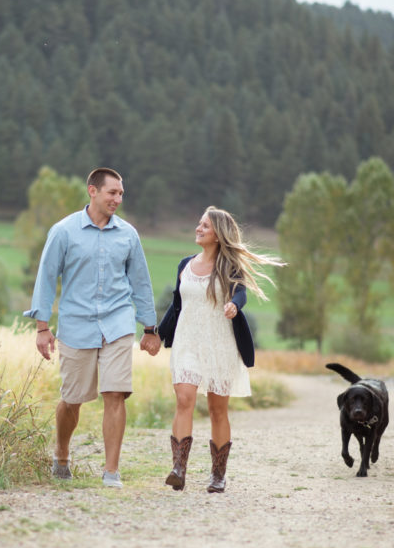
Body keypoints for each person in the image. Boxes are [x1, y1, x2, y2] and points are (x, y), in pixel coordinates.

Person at [24, 167, 161, 487]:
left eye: (121, 194)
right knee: (72, 399)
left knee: (116, 393)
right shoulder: (64, 231)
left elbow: (141, 281)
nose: (118, 199)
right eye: (112, 192)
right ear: (93, 191)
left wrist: (150, 328)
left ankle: (111, 471)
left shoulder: (128, 234)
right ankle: (61, 453)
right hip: (76, 324)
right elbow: (46, 278)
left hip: (117, 323)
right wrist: (42, 327)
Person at [157, 207, 284, 493]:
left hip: (220, 344)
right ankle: (178, 468)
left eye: (204, 226)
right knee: (184, 398)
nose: (198, 229)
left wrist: (234, 305)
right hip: (188, 341)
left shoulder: (229, 267)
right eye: (199, 223)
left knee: (217, 409)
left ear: (218, 234)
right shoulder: (184, 265)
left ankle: (218, 475)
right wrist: (156, 334)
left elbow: (241, 292)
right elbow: (177, 307)